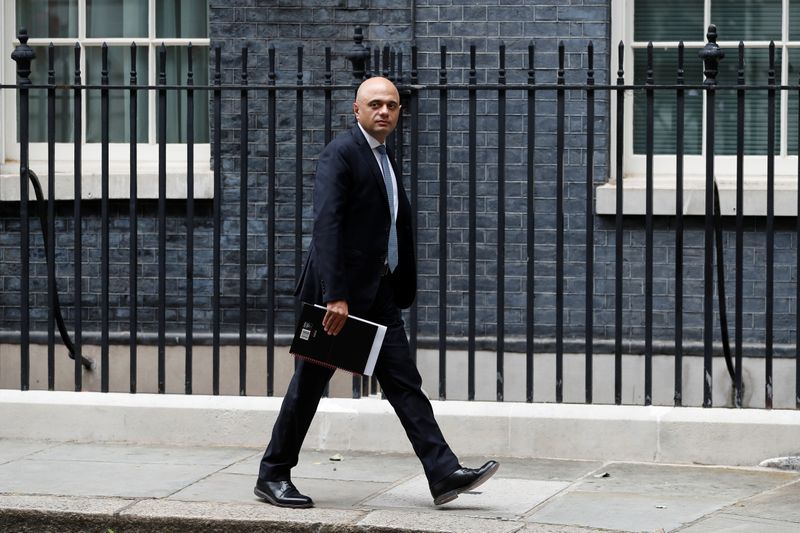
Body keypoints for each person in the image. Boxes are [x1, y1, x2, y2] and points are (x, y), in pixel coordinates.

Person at [254, 76, 498, 508]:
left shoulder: (384, 157)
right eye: (375, 105)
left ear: (399, 112)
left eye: (392, 105)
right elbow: (326, 227)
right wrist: (335, 295)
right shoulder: (342, 154)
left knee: (405, 382)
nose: (384, 111)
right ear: (357, 110)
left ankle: (443, 473)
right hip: (339, 299)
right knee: (308, 386)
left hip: (379, 291)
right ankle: (272, 474)